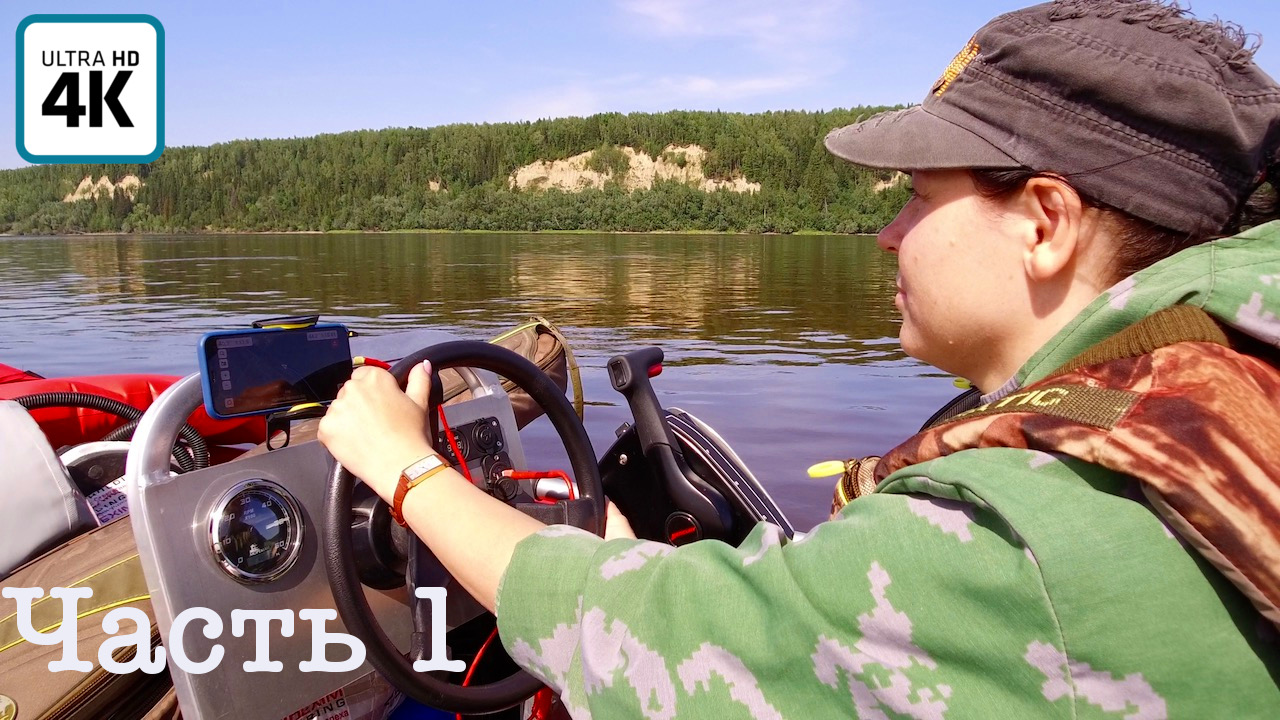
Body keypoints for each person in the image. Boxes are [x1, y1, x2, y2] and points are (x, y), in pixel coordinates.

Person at [319, 1, 1280, 716]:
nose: (888, 234)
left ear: (1043, 223)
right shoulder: (1217, 374)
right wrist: (623, 560)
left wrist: (405, 469)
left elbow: (654, 648)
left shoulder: (1022, 536)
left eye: (918, 196)